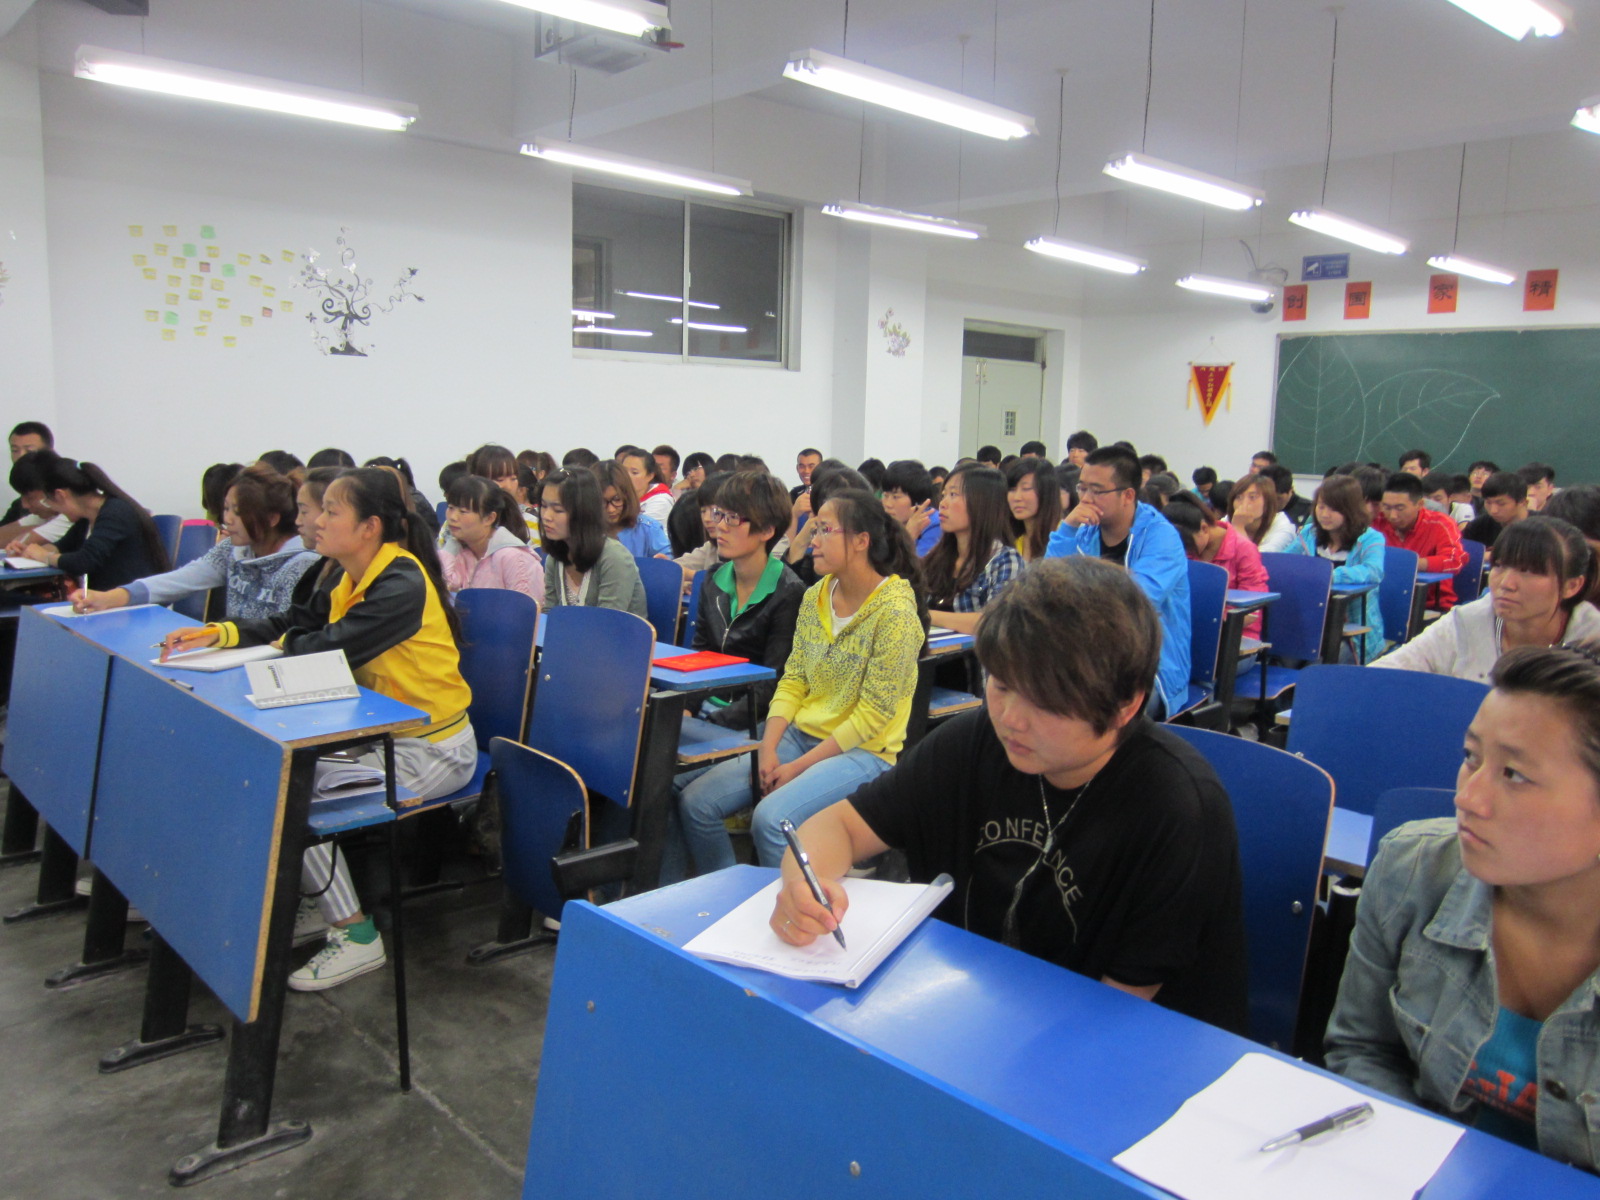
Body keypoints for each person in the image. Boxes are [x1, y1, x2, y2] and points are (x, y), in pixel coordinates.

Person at [770, 556, 1249, 1034]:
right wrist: (804, 890)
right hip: (978, 1007)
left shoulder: (1178, 808)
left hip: (1120, 1044)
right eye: (1001, 685)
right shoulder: (975, 741)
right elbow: (838, 827)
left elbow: (1114, 1015)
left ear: (1126, 705)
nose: (1010, 718)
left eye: (1046, 702)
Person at [159, 467, 476, 990]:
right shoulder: (347, 575)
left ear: (370, 527)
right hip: (379, 739)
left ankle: (357, 935)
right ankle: (321, 898)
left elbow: (328, 646)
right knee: (270, 775)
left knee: (290, 793)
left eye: (331, 511)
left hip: (431, 750)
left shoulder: (400, 582)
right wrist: (222, 633)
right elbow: (295, 624)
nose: (316, 522)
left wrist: (273, 646)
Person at [1325, 642, 1600, 1169]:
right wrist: (1421, 1168)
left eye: (1514, 774)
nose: (1467, 797)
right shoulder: (1413, 870)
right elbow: (1362, 1049)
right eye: (1471, 757)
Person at [676, 489, 925, 875]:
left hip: (864, 752)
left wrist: (798, 768)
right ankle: (737, 896)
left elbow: (872, 718)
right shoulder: (817, 596)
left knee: (771, 819)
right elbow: (793, 680)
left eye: (825, 529)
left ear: (861, 541)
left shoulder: (895, 613)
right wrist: (768, 747)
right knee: (697, 803)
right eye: (814, 528)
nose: (812, 540)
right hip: (799, 734)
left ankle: (801, 907)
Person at [1047, 445, 1190, 720]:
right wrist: (1067, 529)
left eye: (1097, 491)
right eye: (1082, 488)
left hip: (1148, 669)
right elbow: (1048, 584)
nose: (1085, 499)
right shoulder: (1084, 530)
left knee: (1083, 712)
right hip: (1086, 658)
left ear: (1128, 495)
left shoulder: (1161, 537)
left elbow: (1135, 602)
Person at [72, 463, 316, 619]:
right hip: (233, 650)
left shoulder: (301, 563)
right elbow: (181, 580)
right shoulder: (233, 549)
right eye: (226, 508)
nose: (227, 519)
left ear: (272, 518)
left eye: (238, 512)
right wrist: (109, 598)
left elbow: (284, 634)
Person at [1373, 518, 1600, 682]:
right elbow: (1384, 673)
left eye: (1528, 571)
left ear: (1572, 586)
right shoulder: (1466, 622)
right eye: (1499, 566)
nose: (1506, 584)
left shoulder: (1592, 638)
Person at [689, 470, 804, 728]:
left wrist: (714, 722)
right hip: (706, 705)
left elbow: (773, 683)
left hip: (751, 719)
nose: (720, 526)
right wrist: (686, 708)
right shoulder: (713, 579)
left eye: (733, 518)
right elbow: (700, 655)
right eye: (719, 514)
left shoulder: (788, 592)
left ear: (767, 530)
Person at [10, 451, 169, 590]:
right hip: (101, 599)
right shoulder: (86, 517)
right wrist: (29, 551)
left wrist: (44, 556)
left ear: (60, 495)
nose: (53, 509)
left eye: (48, 501)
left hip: (129, 600)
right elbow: (62, 546)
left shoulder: (115, 512)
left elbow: (84, 561)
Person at [1287, 474, 1386, 662]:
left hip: (1352, 632)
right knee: (1283, 655)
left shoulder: (1370, 538)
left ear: (1350, 510)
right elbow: (1283, 562)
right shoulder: (1309, 533)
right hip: (1309, 623)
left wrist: (1328, 575)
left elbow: (1374, 571)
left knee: (1320, 666)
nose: (1325, 514)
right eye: (1321, 507)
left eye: (1333, 509)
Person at [924, 464, 1024, 635]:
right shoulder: (938, 557)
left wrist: (926, 615)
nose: (943, 503)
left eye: (953, 494)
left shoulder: (1005, 560)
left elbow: (995, 621)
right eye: (943, 495)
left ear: (982, 502)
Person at [540, 467, 648, 620]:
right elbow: (549, 615)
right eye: (544, 506)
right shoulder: (554, 559)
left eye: (558, 510)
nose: (546, 516)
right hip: (571, 635)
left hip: (616, 634)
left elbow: (606, 623)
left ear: (584, 512)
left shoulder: (614, 558)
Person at [1163, 493, 1268, 637]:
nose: (1185, 551)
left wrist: (1209, 621)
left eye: (1187, 545)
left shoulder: (1244, 550)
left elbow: (1252, 612)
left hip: (1234, 633)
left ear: (1204, 528)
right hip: (1191, 626)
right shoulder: (1184, 549)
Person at [438, 474, 543, 604]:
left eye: (463, 511)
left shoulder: (513, 557)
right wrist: (451, 545)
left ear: (489, 518)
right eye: (450, 508)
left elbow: (525, 609)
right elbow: (444, 589)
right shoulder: (460, 551)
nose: (453, 517)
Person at [1376, 471, 1467, 611]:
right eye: (1387, 507)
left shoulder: (1441, 523)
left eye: (1400, 508)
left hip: (1431, 605)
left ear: (1420, 504)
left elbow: (1455, 561)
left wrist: (1412, 564)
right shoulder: (1377, 521)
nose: (1393, 516)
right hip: (1383, 600)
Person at [592, 459, 670, 558]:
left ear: (628, 496)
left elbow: (669, 559)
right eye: (603, 502)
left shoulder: (648, 528)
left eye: (617, 499)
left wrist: (666, 562)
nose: (611, 509)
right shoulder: (581, 531)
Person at [880, 459, 940, 556]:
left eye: (896, 497)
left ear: (917, 502)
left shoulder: (934, 524)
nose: (888, 504)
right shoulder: (885, 524)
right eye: (885, 495)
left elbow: (920, 563)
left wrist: (908, 537)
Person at [1007, 456, 1061, 563]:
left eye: (1026, 489)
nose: (1017, 497)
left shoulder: (1061, 536)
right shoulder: (1013, 540)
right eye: (1012, 490)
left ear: (1046, 492)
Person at [1462, 471, 1528, 555]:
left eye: (1501, 504)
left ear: (1522, 502)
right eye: (1488, 503)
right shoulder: (1478, 526)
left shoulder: (1541, 527)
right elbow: (1461, 554)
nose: (1493, 511)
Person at [1226, 473, 1295, 552]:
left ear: (1268, 501)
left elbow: (1255, 557)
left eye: (1252, 497)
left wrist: (1239, 527)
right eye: (1239, 497)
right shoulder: (1227, 520)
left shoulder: (1283, 526)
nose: (1244, 503)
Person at [620, 446, 675, 524]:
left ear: (650, 476)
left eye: (634, 473)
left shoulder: (661, 501)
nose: (627, 476)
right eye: (624, 471)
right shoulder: (619, 495)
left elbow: (643, 529)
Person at [1259, 463, 1313, 529]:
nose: (1273, 503)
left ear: (1291, 490)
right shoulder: (1256, 507)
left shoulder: (1309, 510)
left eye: (1278, 499)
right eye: (1268, 498)